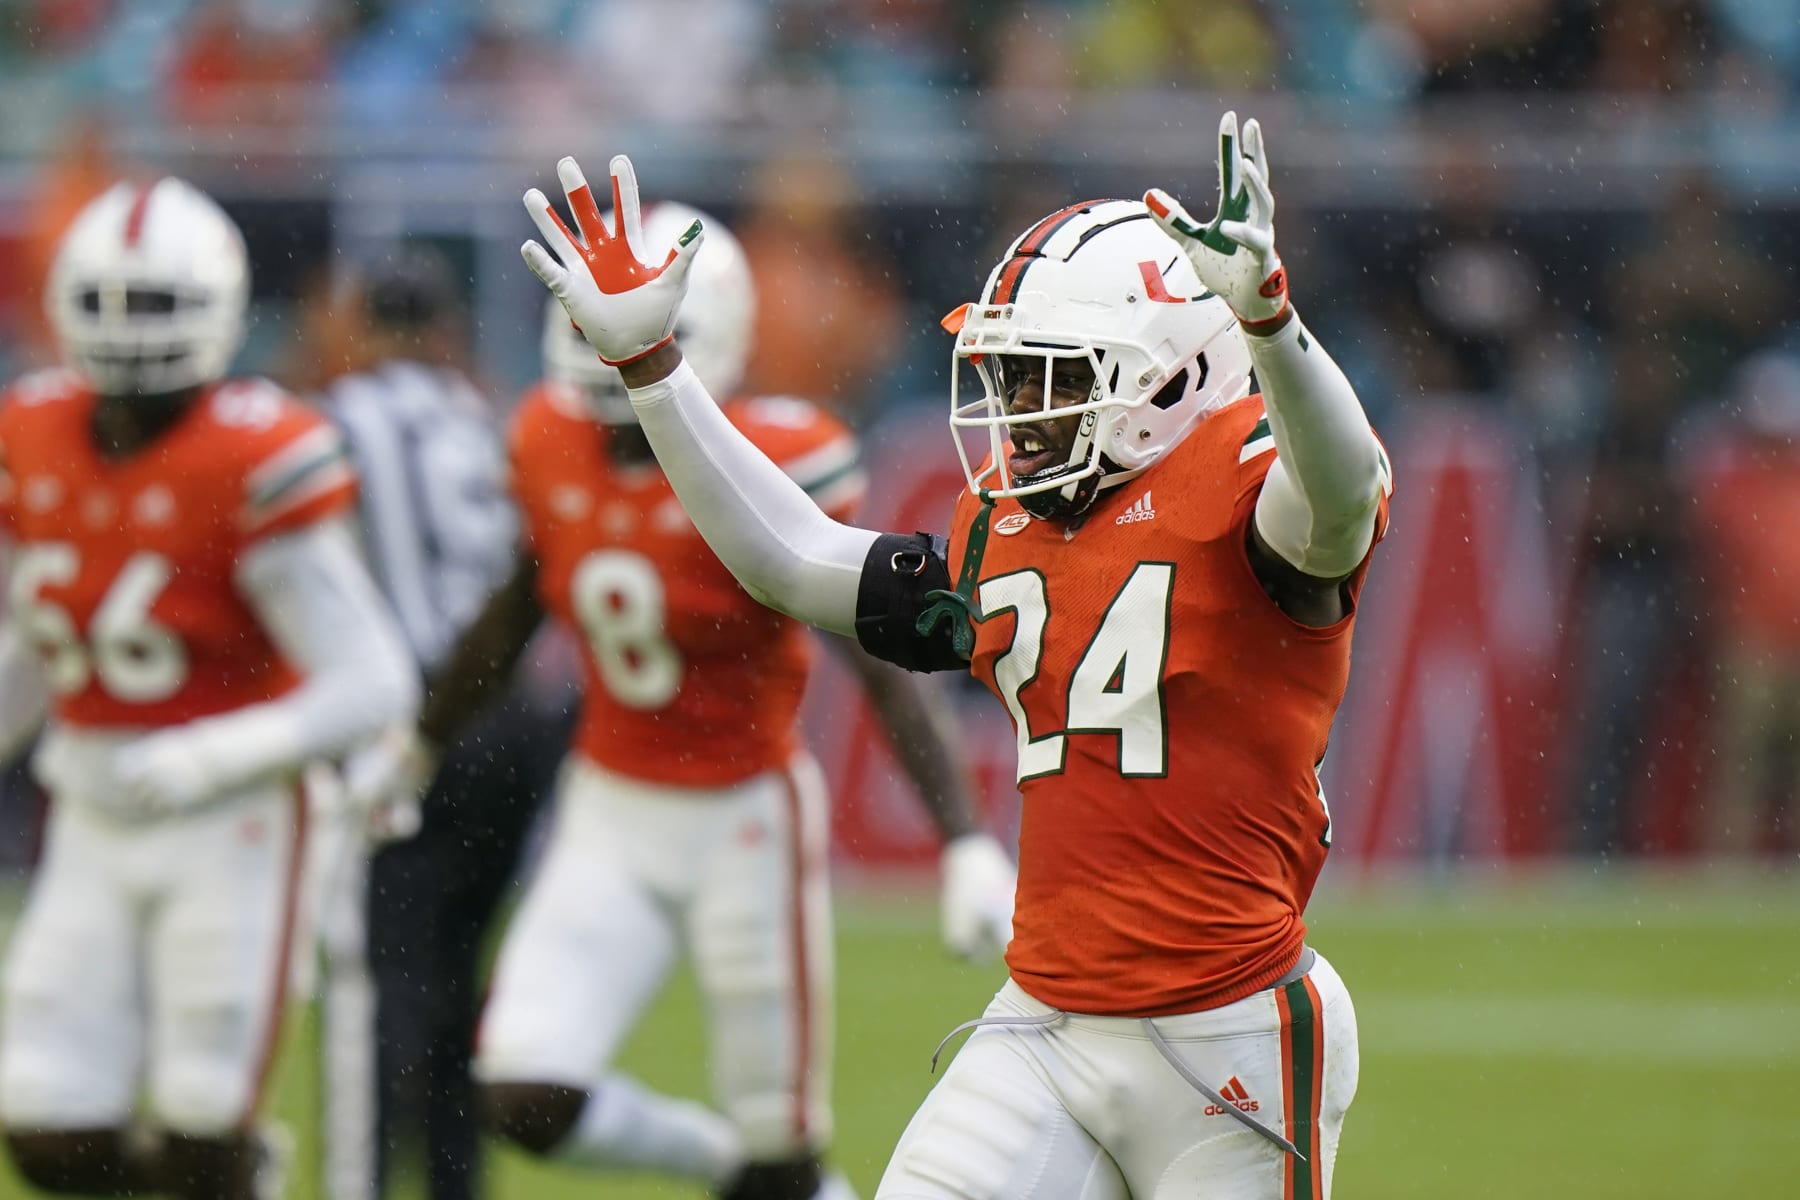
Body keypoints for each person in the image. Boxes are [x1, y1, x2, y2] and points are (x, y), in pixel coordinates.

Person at [521, 111, 1392, 1199]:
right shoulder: (1007, 525)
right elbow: (796, 562)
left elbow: (1345, 491)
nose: (1018, 410)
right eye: (1012, 374)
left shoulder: (1257, 497)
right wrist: (653, 371)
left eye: (1053, 376)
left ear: (1173, 378)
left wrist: (1269, 322)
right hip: (1047, 1018)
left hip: (1232, 1031)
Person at [357, 201, 1016, 1200]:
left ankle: (768, 1173)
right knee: (521, 1088)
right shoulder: (546, 436)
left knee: (783, 1153)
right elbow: (514, 610)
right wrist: (419, 743)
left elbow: (870, 657)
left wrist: (963, 835)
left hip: (745, 818)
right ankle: (715, 1164)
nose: (616, 414)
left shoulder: (779, 455)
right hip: (610, 810)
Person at [0, 177, 418, 1199]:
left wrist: (212, 753)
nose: (133, 335)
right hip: (91, 813)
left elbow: (372, 681)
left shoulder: (252, 452)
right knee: (46, 1121)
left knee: (202, 1119)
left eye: (155, 306)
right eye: (114, 305)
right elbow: (34, 643)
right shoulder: (31, 435)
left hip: (236, 822)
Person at [316, 246, 554, 1200]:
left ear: (365, 328)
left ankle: (366, 1176)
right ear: (445, 329)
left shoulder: (341, 420)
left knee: (386, 978)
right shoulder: (485, 412)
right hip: (513, 714)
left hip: (415, 710)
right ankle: (456, 1183)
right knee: (457, 975)